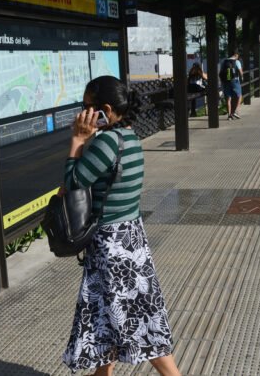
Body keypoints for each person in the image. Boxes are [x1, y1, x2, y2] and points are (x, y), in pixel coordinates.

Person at [61, 76, 180, 376]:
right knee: (106, 317)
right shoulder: (129, 137)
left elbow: (73, 184)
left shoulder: (106, 143)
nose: (82, 112)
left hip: (111, 247)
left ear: (105, 109)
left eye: (86, 106)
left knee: (134, 318)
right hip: (130, 240)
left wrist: (76, 142)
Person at [219, 51, 243, 120]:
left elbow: (221, 72)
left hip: (226, 81)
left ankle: (229, 115)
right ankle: (235, 111)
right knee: (239, 96)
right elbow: (241, 73)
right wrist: (242, 77)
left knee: (228, 98)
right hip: (235, 81)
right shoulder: (237, 62)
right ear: (236, 55)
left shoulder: (224, 61)